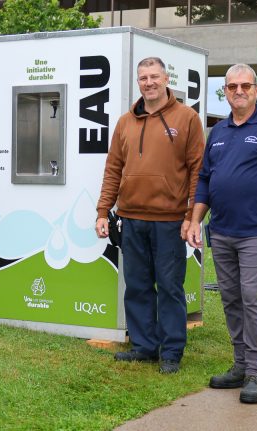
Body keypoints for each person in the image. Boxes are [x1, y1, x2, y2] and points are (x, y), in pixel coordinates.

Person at [187, 63, 257, 404]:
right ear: (225, 91)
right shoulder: (218, 132)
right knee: (232, 300)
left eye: (245, 86)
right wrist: (195, 220)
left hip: (255, 232)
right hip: (221, 231)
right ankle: (240, 366)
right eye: (232, 86)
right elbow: (205, 179)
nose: (239, 91)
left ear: (255, 89)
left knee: (252, 298)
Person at [95, 57, 205, 374]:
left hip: (170, 220)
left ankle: (171, 351)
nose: (149, 82)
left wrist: (191, 215)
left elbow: (198, 171)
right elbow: (113, 169)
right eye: (143, 77)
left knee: (170, 287)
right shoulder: (125, 123)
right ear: (138, 82)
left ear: (165, 78)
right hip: (130, 218)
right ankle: (144, 345)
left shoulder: (187, 119)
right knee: (138, 285)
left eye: (154, 76)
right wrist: (104, 210)